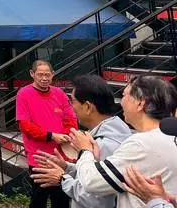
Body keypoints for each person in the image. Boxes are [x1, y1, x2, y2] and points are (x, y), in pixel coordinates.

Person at [68, 76, 177, 208]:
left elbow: (91, 181)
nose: (121, 102)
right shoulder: (166, 136)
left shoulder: (143, 143)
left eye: (124, 95)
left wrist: (84, 150)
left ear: (140, 104)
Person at [30, 74, 131, 208]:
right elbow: (92, 177)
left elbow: (97, 201)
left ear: (88, 107)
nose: (71, 107)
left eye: (73, 101)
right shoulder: (117, 132)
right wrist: (67, 168)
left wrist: (62, 179)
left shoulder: (103, 145)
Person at [15, 59, 78, 208]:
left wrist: (67, 134)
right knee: (38, 199)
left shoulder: (59, 93)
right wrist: (51, 135)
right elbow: (25, 125)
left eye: (47, 75)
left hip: (61, 157)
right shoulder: (24, 94)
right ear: (32, 74)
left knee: (61, 199)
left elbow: (71, 118)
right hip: (39, 158)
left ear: (53, 74)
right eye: (40, 75)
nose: (44, 78)